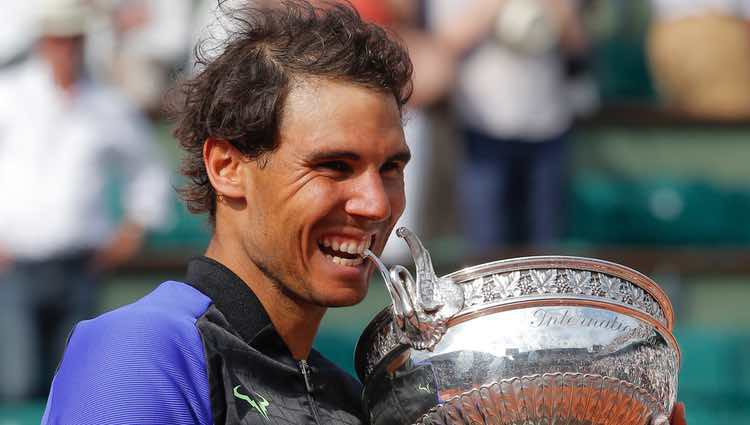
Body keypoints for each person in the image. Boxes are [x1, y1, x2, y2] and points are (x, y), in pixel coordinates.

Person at [42, 1, 412, 423]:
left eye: (390, 168)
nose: (377, 204)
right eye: (333, 166)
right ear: (227, 168)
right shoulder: (141, 349)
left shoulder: (348, 398)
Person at [0, 0, 170, 401]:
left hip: (81, 269)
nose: (65, 50)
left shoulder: (107, 105)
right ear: (44, 42)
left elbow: (149, 170)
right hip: (15, 268)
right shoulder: (8, 96)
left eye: (72, 40)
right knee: (17, 384)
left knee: (77, 385)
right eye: (58, 40)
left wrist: (131, 233)